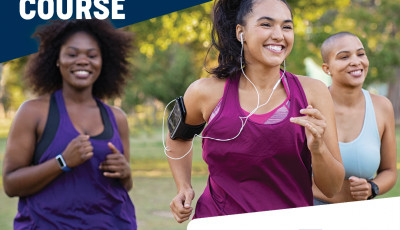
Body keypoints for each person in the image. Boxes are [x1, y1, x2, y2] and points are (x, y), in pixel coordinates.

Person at [166, 0, 345, 223]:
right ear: (241, 32)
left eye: (287, 27)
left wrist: (318, 150)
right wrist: (183, 186)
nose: (279, 35)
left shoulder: (313, 93)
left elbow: (332, 188)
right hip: (218, 221)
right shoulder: (205, 92)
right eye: (266, 24)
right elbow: (177, 137)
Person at [2, 19, 137, 229]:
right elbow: (10, 184)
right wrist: (62, 162)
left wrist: (126, 172)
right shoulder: (33, 112)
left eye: (92, 55)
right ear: (57, 59)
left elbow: (125, 186)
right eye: (72, 54)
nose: (83, 61)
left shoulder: (116, 117)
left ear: (103, 61)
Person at [313, 32, 397, 205]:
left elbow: (389, 171)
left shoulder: (382, 107)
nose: (356, 61)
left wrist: (372, 187)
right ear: (326, 69)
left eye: (361, 54)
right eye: (344, 57)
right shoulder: (311, 108)